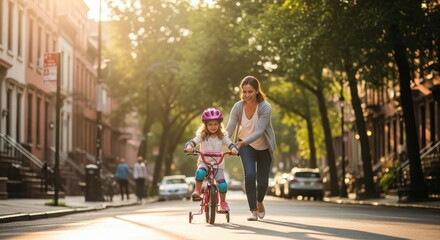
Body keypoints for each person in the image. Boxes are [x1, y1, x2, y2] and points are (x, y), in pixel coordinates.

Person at [225, 76, 276, 221]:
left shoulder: (265, 107)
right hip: (246, 146)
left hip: (264, 147)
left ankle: (259, 201)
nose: (247, 95)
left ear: (257, 91)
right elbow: (230, 127)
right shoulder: (238, 107)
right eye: (245, 92)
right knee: (250, 175)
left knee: (263, 182)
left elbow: (259, 131)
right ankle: (253, 210)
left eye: (250, 92)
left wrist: (243, 143)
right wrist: (220, 138)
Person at [185, 107, 238, 212]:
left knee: (222, 185)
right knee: (200, 173)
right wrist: (190, 147)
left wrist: (234, 149)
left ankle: (223, 203)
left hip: (218, 165)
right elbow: (193, 142)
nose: (213, 127)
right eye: (210, 124)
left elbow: (230, 144)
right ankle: (197, 191)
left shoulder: (222, 136)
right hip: (204, 162)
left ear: (219, 125)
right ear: (205, 125)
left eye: (215, 124)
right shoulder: (203, 136)